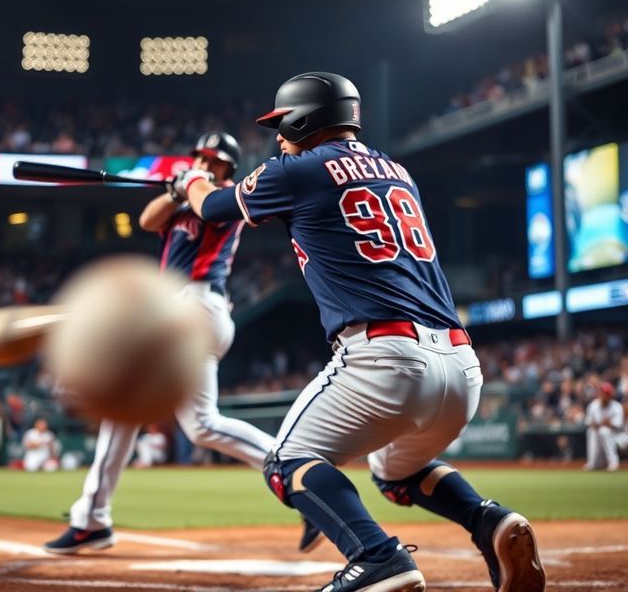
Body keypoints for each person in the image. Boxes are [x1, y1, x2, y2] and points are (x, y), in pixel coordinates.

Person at [177, 73, 546, 592]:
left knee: (286, 462)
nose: (279, 136)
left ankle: (377, 557)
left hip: (385, 358)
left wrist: (190, 181)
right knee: (395, 473)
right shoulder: (397, 170)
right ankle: (488, 520)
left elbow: (214, 210)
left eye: (284, 123)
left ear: (307, 119)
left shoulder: (297, 168)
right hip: (462, 365)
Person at [44, 132, 320, 554]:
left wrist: (190, 184)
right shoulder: (183, 201)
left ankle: (304, 480)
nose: (207, 164)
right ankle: (92, 518)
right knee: (172, 418)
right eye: (201, 157)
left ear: (229, 167)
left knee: (186, 417)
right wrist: (174, 191)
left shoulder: (225, 196)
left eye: (215, 160)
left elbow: (206, 203)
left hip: (195, 304)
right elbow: (148, 220)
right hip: (178, 309)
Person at [584, 382, 623, 472]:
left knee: (604, 431)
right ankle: (592, 462)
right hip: (597, 434)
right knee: (592, 431)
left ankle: (613, 462)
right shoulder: (593, 405)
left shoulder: (616, 407)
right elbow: (589, 422)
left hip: (618, 436)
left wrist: (607, 424)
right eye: (603, 393)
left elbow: (618, 425)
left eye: (607, 394)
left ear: (610, 395)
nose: (604, 395)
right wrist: (599, 424)